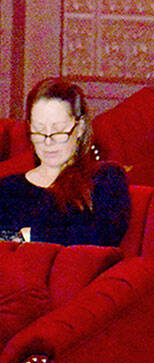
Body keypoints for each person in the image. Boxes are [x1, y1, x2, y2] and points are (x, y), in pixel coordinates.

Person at [0, 78, 129, 247]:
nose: (48, 141)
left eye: (58, 131)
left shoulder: (105, 177)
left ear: (80, 128)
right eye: (38, 131)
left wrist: (31, 235)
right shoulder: (9, 187)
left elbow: (105, 235)